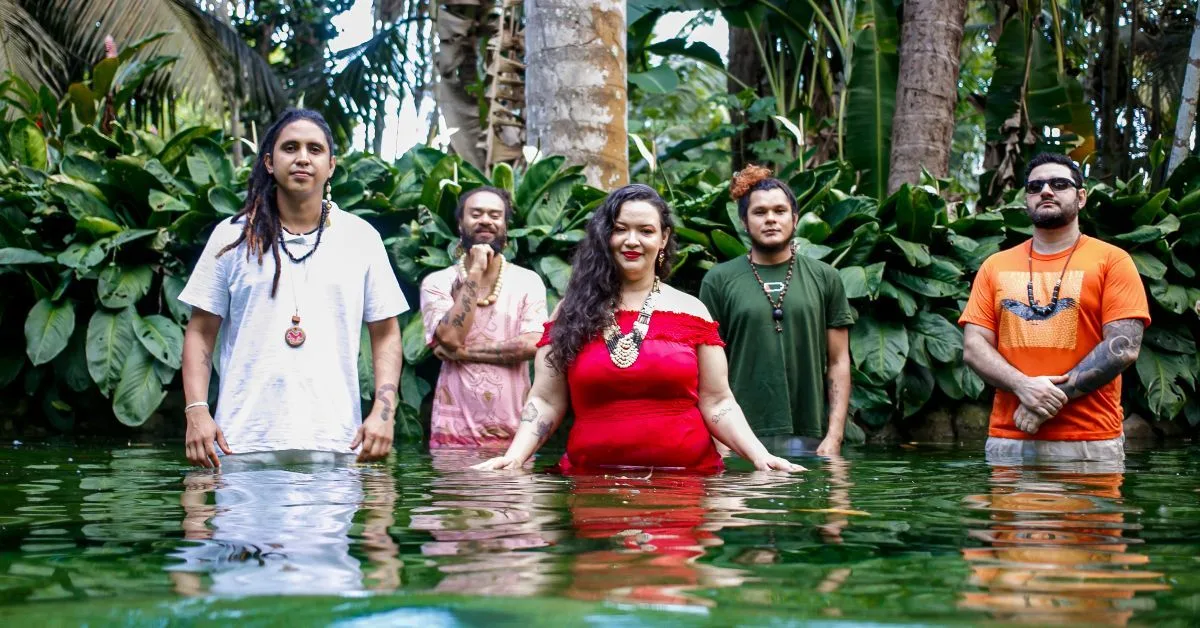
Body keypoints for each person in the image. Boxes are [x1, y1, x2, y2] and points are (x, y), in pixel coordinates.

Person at [470, 184, 803, 473]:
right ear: (605, 236)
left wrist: (760, 456)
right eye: (620, 229)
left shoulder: (692, 310)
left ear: (663, 238)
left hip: (686, 483)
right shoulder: (569, 312)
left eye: (645, 231)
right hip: (592, 485)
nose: (632, 241)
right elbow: (545, 400)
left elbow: (717, 403)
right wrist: (514, 458)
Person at [178, 109, 407, 468]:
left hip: (334, 442)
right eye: (290, 147)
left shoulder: (361, 238)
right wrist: (196, 411)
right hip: (241, 442)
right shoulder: (232, 237)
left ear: (331, 165)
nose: (302, 157)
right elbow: (201, 332)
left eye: (314, 149)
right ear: (269, 162)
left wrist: (384, 409)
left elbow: (386, 332)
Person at [960, 152, 1150, 461]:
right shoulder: (995, 265)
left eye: (1059, 184)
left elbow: (1123, 346)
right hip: (1009, 439)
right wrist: (1023, 386)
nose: (1046, 191)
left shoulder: (1113, 260)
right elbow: (974, 346)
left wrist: (1049, 400)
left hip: (1090, 440)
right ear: (1027, 200)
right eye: (1035, 187)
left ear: (1081, 197)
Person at [699, 165, 854, 456]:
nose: (770, 219)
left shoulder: (825, 277)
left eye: (779, 211)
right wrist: (720, 442)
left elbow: (838, 361)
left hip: (812, 436)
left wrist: (834, 437)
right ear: (744, 221)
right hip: (738, 437)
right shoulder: (718, 281)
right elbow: (706, 368)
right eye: (760, 212)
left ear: (794, 219)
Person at [420, 187, 548, 448]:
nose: (486, 220)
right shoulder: (437, 282)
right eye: (476, 214)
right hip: (452, 436)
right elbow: (451, 337)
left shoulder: (528, 281)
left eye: (495, 215)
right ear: (460, 224)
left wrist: (462, 354)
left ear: (505, 225)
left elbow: (532, 344)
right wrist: (476, 270)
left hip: (514, 439)